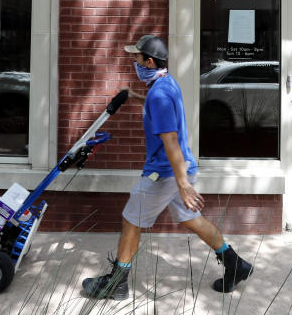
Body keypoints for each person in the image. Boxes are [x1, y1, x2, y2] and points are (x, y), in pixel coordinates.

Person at [81, 34, 253, 300]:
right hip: (180, 168)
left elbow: (170, 139)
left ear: (149, 61)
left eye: (136, 58)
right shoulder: (166, 83)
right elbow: (159, 108)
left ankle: (116, 282)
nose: (133, 61)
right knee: (192, 219)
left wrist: (183, 184)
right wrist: (135, 96)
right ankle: (236, 264)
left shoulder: (159, 94)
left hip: (164, 173)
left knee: (131, 219)